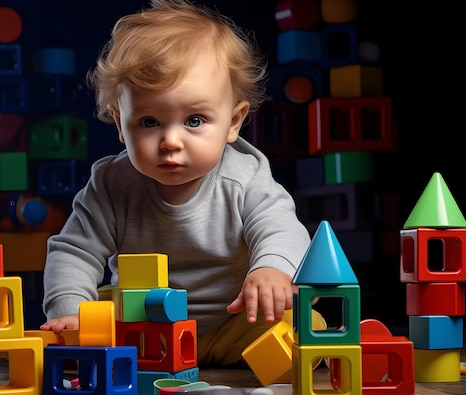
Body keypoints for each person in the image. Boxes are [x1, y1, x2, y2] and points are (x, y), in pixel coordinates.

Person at [40, 0, 325, 367]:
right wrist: (73, 313)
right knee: (96, 320)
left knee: (302, 325)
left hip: (235, 323)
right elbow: (74, 253)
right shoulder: (111, 184)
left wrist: (271, 270)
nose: (171, 141)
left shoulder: (246, 176)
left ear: (234, 122)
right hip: (145, 331)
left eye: (194, 120)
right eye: (148, 122)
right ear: (119, 122)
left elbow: (282, 228)